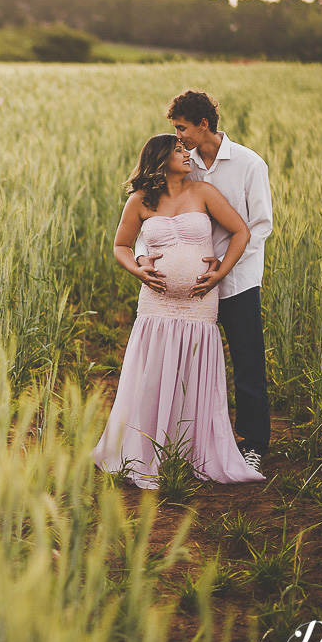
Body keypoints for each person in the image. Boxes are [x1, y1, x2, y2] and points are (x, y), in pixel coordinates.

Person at [92, 134, 264, 489]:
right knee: (153, 370)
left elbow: (240, 232)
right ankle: (146, 447)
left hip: (199, 303)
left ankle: (190, 450)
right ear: (160, 159)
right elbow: (121, 245)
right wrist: (137, 269)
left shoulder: (203, 192)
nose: (188, 154)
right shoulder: (139, 200)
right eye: (179, 150)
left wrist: (220, 272)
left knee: (193, 370)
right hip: (156, 303)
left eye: (186, 148)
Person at [138, 89, 273, 474]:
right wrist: (145, 251)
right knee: (190, 363)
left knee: (247, 363)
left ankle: (253, 444)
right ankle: (187, 438)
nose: (178, 137)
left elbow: (259, 227)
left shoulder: (249, 164)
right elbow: (160, 213)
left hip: (239, 281)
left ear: (204, 124)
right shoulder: (183, 164)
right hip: (191, 294)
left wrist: (223, 267)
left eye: (182, 129)